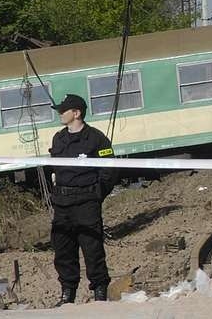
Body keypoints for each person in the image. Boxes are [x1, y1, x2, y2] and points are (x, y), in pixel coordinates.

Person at [49, 94, 118, 305]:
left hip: (87, 202)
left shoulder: (97, 138)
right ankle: (67, 294)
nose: (60, 114)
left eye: (64, 110)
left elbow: (110, 171)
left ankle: (99, 292)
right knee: (63, 250)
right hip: (62, 204)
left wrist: (96, 195)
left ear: (76, 113)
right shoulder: (58, 138)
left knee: (92, 249)